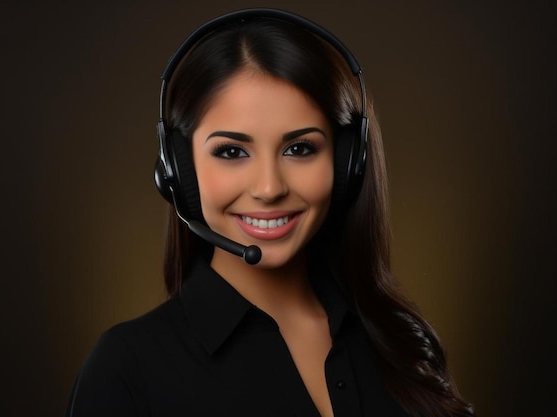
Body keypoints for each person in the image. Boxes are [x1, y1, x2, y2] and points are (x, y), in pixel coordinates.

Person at [67, 8, 474, 417]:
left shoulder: (401, 343)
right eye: (232, 152)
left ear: (348, 163)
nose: (269, 188)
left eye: (299, 149)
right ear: (178, 171)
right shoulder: (127, 368)